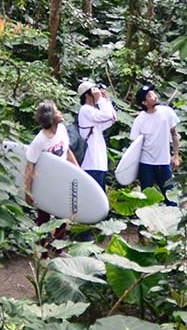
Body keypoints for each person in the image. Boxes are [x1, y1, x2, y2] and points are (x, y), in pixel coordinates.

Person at [24, 100, 78, 247]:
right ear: (51, 117)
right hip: (45, 184)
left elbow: (66, 150)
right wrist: (27, 190)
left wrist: (78, 171)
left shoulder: (61, 130)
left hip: (62, 180)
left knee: (63, 215)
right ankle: (43, 252)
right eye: (57, 111)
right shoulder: (39, 141)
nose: (60, 113)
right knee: (44, 217)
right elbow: (30, 165)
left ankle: (58, 248)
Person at [130, 83, 180, 206]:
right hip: (146, 163)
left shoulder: (167, 112)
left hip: (163, 162)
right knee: (146, 199)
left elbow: (174, 134)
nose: (154, 96)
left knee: (171, 197)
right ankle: (145, 225)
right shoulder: (140, 120)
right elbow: (134, 145)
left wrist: (176, 156)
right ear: (144, 103)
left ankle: (172, 222)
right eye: (149, 95)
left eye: (153, 93)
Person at [77, 79, 117, 191]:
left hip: (98, 163)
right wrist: (100, 100)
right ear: (87, 94)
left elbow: (112, 118)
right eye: (94, 90)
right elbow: (107, 115)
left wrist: (106, 100)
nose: (97, 92)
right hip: (91, 164)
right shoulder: (85, 110)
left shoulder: (92, 112)